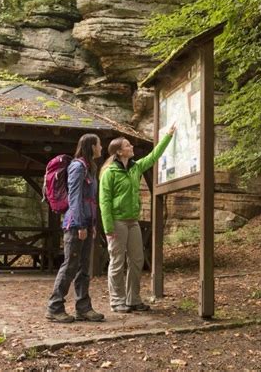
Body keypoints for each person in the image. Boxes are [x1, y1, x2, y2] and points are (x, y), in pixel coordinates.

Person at [99, 124, 176, 313]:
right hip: (116, 221)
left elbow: (153, 157)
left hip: (133, 221)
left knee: (137, 260)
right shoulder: (110, 173)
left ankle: (133, 299)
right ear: (119, 152)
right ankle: (117, 300)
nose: (131, 146)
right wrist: (108, 228)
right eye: (127, 145)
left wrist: (168, 136)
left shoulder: (135, 168)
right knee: (117, 261)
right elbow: (104, 201)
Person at [46, 134, 105, 323]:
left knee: (84, 268)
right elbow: (75, 198)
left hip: (87, 222)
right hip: (75, 224)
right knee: (70, 266)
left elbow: (91, 200)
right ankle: (54, 308)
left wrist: (93, 224)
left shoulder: (90, 168)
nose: (101, 148)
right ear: (91, 146)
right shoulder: (77, 167)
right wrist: (79, 224)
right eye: (99, 145)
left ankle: (83, 308)